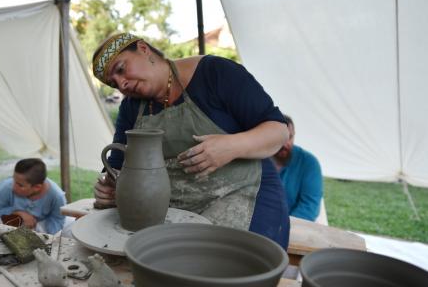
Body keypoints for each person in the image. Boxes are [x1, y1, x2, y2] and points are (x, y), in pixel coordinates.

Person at [92, 33, 291, 249]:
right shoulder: (131, 108)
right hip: (174, 209)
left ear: (143, 48)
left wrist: (231, 146)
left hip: (243, 194)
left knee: (216, 267)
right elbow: (117, 167)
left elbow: (278, 131)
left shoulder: (216, 73)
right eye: (114, 83)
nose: (122, 84)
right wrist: (108, 188)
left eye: (121, 69)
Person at [0, 158, 67, 234]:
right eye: (14, 180)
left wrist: (46, 236)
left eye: (20, 185)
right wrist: (17, 213)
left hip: (41, 227)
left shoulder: (57, 196)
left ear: (37, 187)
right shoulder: (5, 187)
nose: (13, 186)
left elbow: (58, 220)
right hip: (10, 224)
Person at [272, 115, 323, 221]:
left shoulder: (309, 163)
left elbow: (309, 207)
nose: (286, 143)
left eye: (290, 137)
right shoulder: (256, 157)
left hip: (293, 227)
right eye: (281, 137)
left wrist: (283, 227)